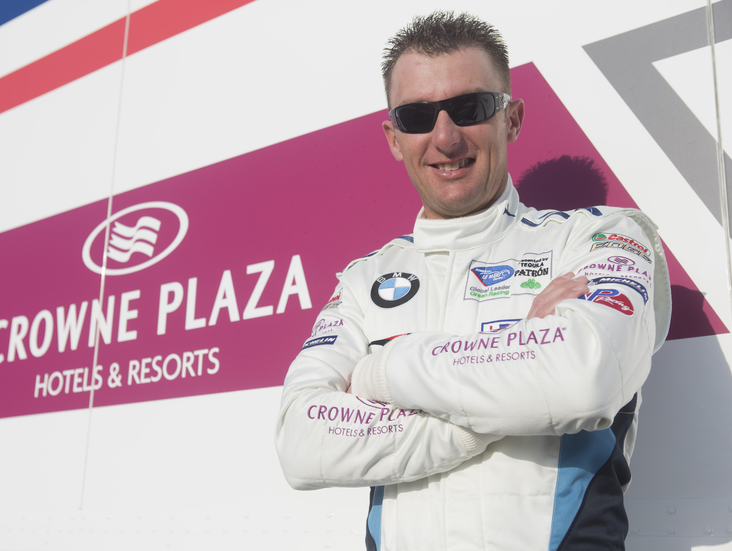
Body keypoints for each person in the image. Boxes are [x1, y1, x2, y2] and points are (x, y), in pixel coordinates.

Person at [275, 11, 670, 551]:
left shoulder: (599, 237)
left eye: (470, 108)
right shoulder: (365, 279)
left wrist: (380, 372)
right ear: (394, 138)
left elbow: (584, 379)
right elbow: (302, 444)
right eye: (417, 116)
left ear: (512, 119)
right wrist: (518, 368)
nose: (444, 137)